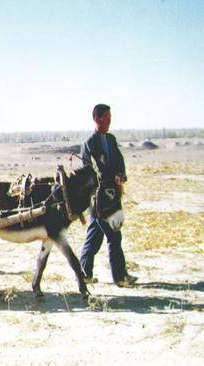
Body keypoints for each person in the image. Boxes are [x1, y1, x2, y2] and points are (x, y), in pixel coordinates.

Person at [79, 104, 138, 287]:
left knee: (95, 236)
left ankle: (84, 273)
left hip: (111, 196)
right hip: (98, 199)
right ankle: (120, 277)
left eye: (111, 117)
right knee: (114, 236)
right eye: (107, 117)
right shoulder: (89, 143)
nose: (110, 121)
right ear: (97, 119)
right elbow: (89, 170)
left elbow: (119, 161)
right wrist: (109, 178)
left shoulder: (111, 139)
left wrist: (121, 175)